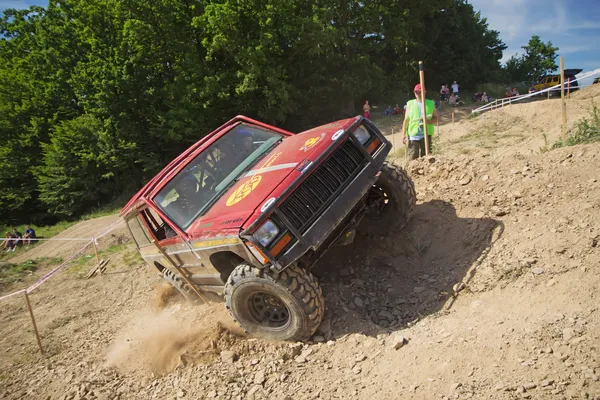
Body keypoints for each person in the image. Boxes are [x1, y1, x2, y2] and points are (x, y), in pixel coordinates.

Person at [402, 84, 439, 160]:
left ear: (424, 92)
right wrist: (403, 135)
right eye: (416, 92)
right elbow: (406, 120)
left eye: (420, 92)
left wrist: (427, 121)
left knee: (427, 158)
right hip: (413, 136)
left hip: (426, 135)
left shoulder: (430, 104)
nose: (418, 94)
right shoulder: (410, 104)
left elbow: (436, 119)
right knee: (412, 158)